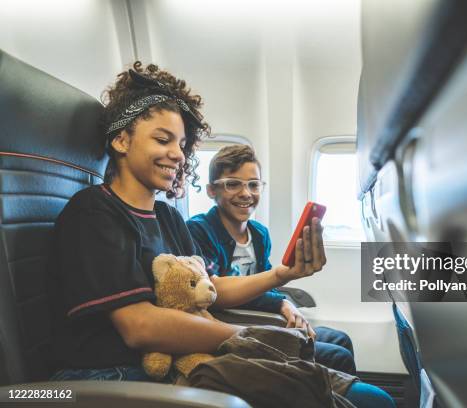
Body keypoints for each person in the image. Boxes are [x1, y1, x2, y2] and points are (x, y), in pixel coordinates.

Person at [48, 62, 395, 408]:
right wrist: (247, 338)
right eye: (162, 139)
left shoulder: (167, 216)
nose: (177, 155)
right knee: (366, 401)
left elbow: (210, 289)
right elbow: (140, 326)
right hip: (121, 374)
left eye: (182, 144)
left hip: (186, 355)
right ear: (121, 140)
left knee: (369, 397)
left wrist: (283, 275)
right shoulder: (95, 212)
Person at [186, 145, 357, 376]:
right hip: (229, 323)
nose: (246, 193)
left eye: (254, 184)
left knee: (341, 339)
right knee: (338, 357)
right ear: (211, 190)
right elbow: (213, 293)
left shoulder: (259, 234)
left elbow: (264, 286)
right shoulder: (199, 230)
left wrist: (283, 303)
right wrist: (279, 294)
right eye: (233, 184)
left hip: (258, 317)